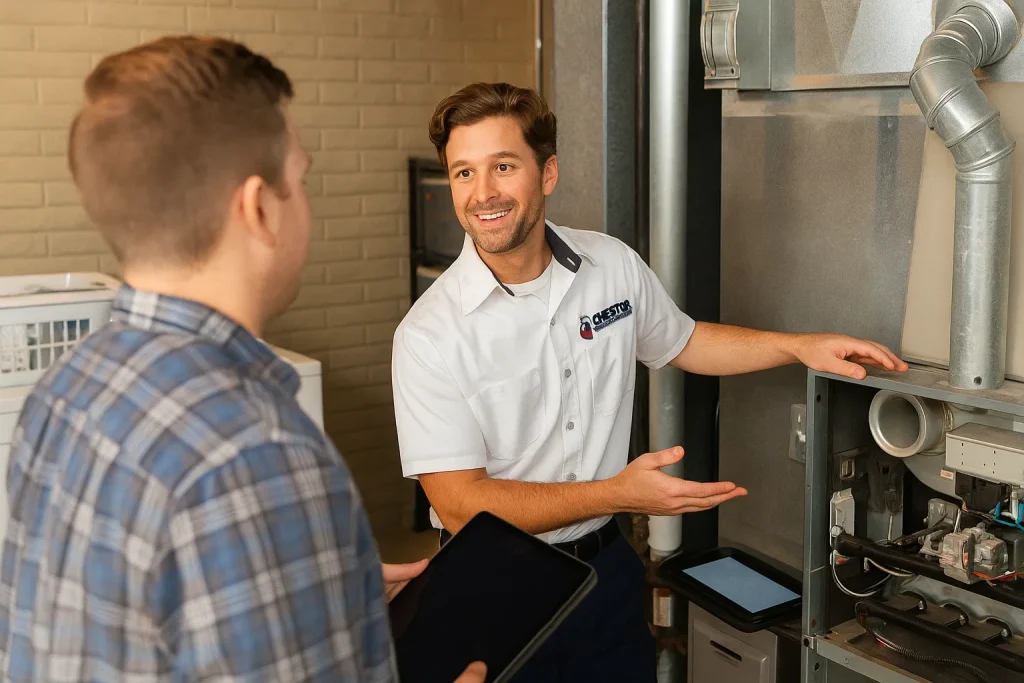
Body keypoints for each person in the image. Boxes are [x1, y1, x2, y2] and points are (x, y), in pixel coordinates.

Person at [0, 37, 484, 683]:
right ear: (258, 207)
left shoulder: (62, 389)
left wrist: (323, 581)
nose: (307, 204)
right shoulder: (258, 451)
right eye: (301, 181)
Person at [390, 82, 908, 682]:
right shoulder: (429, 334)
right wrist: (617, 493)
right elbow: (459, 506)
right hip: (493, 585)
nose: (483, 194)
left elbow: (682, 341)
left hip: (605, 574)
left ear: (548, 172)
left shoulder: (610, 265)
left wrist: (796, 346)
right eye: (463, 173)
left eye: (503, 167)